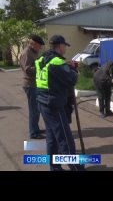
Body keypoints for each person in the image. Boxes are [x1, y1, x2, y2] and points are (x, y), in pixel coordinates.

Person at [35, 35, 84, 171]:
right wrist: (73, 69)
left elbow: (52, 77)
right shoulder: (56, 62)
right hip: (54, 105)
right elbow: (72, 79)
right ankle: (75, 166)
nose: (65, 49)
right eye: (65, 46)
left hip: (43, 102)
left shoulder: (41, 59)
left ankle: (54, 167)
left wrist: (66, 66)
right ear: (60, 46)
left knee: (52, 138)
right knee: (64, 138)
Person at [19, 35, 46, 139]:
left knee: (37, 109)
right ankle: (34, 133)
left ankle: (35, 128)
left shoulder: (34, 52)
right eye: (39, 46)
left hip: (35, 84)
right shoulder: (26, 53)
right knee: (34, 110)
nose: (40, 48)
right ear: (33, 44)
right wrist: (41, 66)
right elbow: (28, 70)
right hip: (30, 85)